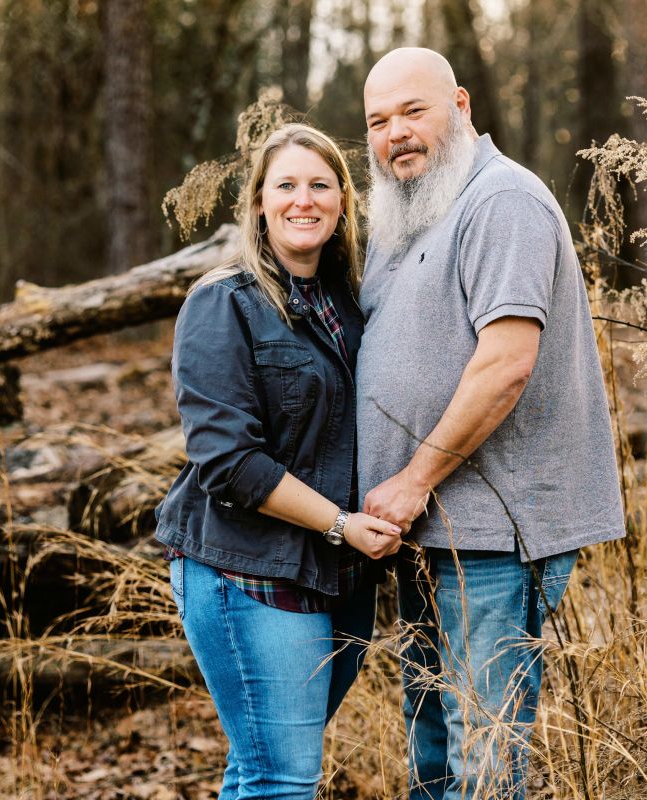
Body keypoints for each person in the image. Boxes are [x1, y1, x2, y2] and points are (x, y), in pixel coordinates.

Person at [357, 48, 626, 799]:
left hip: (493, 534)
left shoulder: (502, 200)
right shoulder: (409, 212)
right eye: (377, 121)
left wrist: (412, 481)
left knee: (483, 755)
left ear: (462, 104)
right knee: (432, 748)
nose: (395, 134)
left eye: (413, 111)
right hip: (423, 528)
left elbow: (506, 364)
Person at [154, 123, 403, 800]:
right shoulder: (223, 301)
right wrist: (341, 525)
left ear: (344, 201)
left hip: (339, 577)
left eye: (320, 185)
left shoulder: (351, 305)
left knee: (260, 770)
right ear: (259, 201)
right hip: (246, 568)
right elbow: (227, 462)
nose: (304, 199)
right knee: (282, 779)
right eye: (286, 185)